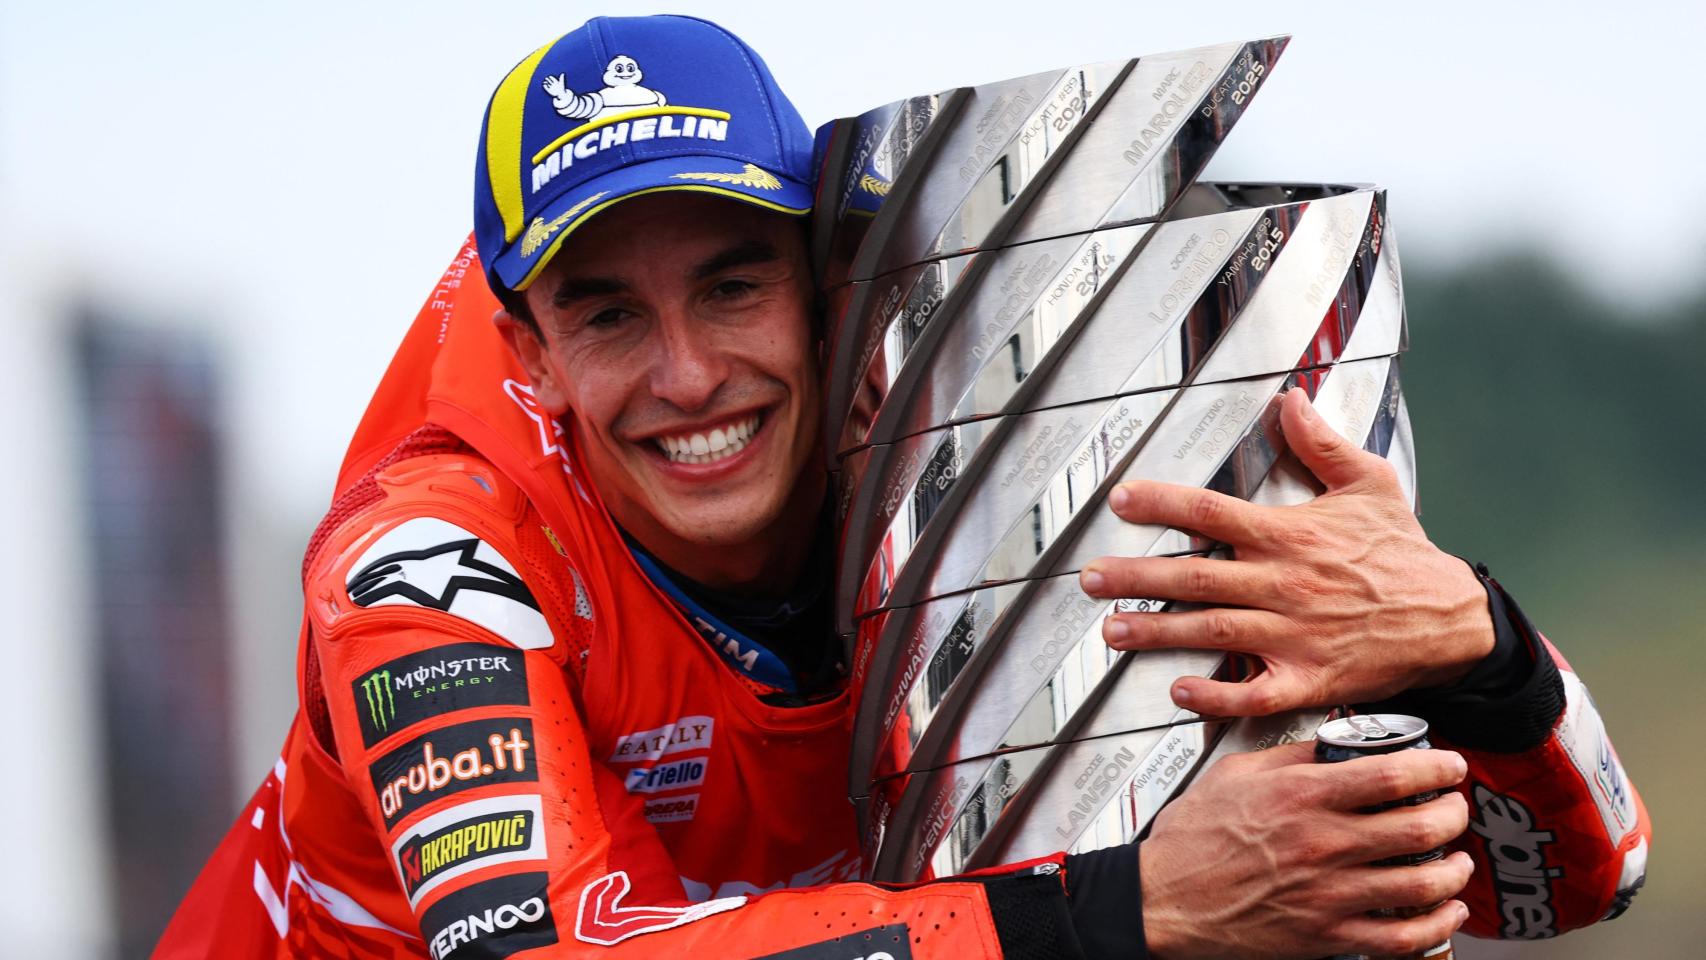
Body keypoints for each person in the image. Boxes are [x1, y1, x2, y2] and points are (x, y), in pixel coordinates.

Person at [155, 15, 1649, 960]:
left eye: (732, 285)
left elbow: (1565, 889)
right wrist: (1137, 908)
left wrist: (1472, 643)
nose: (688, 376)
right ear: (532, 354)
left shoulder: (986, 455)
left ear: (825, 290)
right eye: (608, 314)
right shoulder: (429, 565)